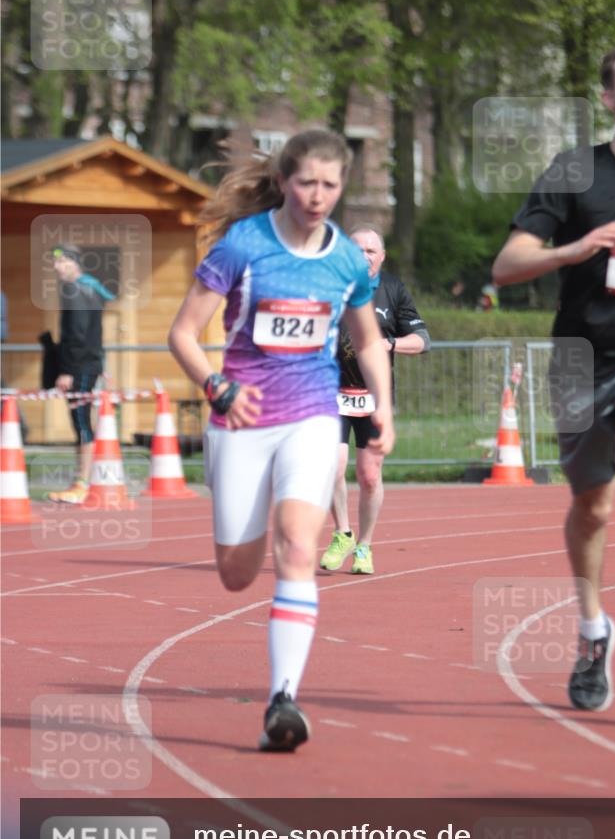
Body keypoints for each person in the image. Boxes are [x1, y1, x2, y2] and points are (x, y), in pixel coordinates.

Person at [168, 131, 394, 751]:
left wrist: (384, 409)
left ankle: (282, 700)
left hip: (312, 414)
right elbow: (183, 333)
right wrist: (216, 388)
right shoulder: (243, 245)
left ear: (342, 186)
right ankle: (256, 515)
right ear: (285, 181)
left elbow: (369, 340)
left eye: (330, 185)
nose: (317, 196)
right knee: (237, 574)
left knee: (300, 546)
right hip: (241, 419)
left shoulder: (347, 259)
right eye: (305, 183)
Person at [493, 41, 615, 711]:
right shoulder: (575, 172)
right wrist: (574, 249)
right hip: (579, 356)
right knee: (591, 504)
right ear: (608, 98)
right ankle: (593, 631)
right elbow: (506, 266)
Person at [320, 225, 430, 574]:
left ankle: (364, 546)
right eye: (357, 250)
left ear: (381, 257)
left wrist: (391, 344)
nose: (364, 256)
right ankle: (342, 533)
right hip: (331, 393)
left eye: (371, 251)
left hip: (372, 397)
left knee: (369, 476)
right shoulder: (330, 286)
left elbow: (422, 338)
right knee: (332, 467)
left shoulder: (393, 289)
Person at [47, 246, 116, 504]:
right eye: (55, 262)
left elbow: (77, 334)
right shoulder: (91, 288)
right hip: (90, 362)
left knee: (81, 421)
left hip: (80, 366)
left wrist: (66, 370)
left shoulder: (75, 290)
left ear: (75, 264)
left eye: (62, 261)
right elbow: (92, 332)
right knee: (83, 421)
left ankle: (83, 482)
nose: (57, 267)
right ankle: (85, 479)